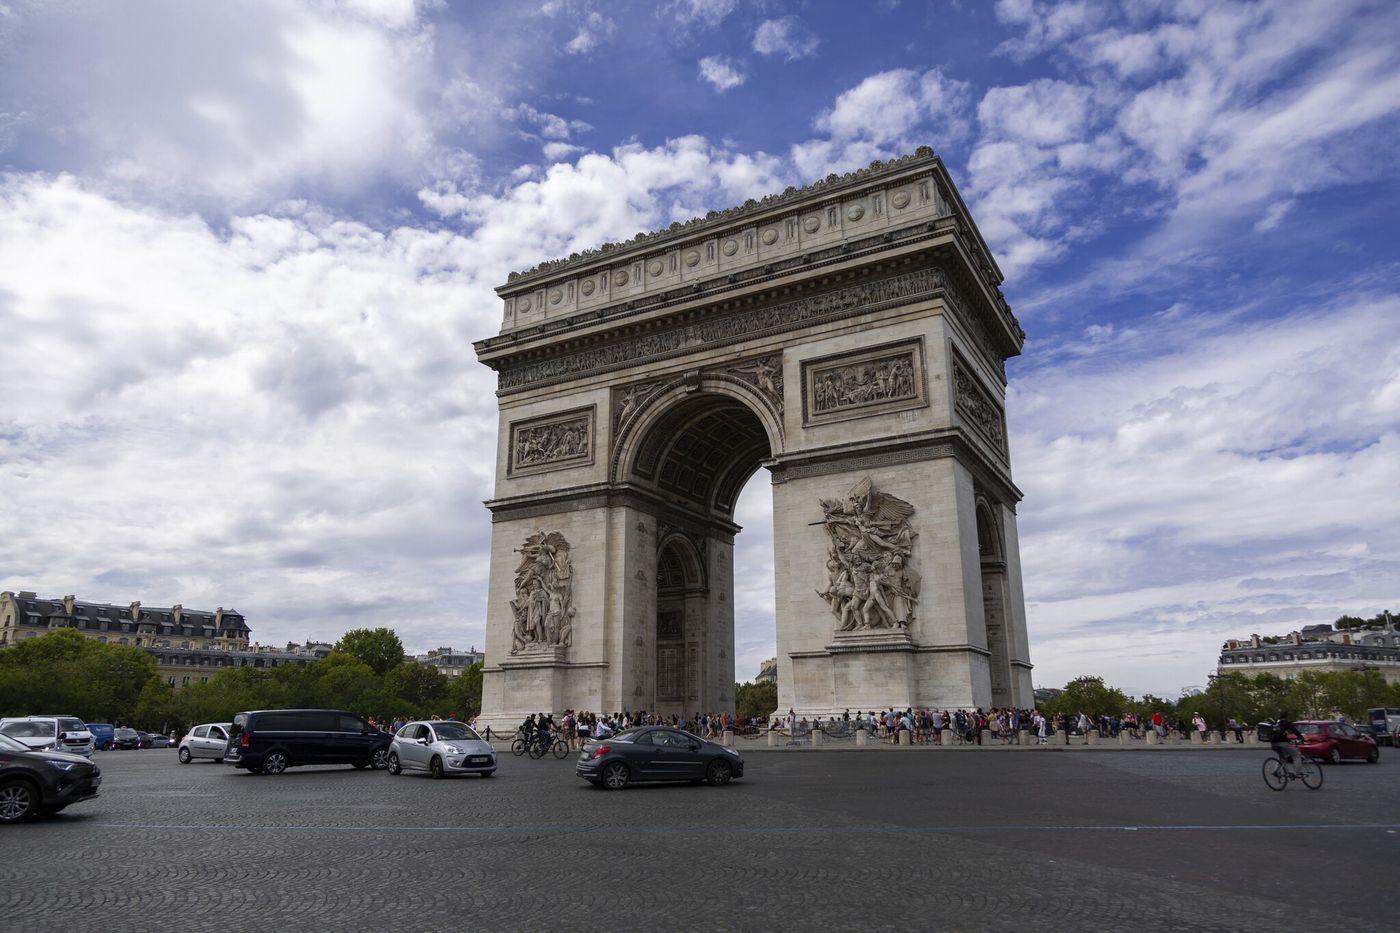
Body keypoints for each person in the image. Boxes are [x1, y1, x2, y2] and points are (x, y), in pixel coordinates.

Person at [1270, 710, 1304, 774]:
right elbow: (1295, 731)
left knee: (1282, 757)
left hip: (1273, 743)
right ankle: (1297, 772)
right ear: (1286, 716)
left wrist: (1288, 740)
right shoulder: (1286, 722)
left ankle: (1276, 771)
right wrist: (1301, 737)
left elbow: (1280, 734)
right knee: (1296, 755)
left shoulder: (1276, 723)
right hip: (1282, 743)